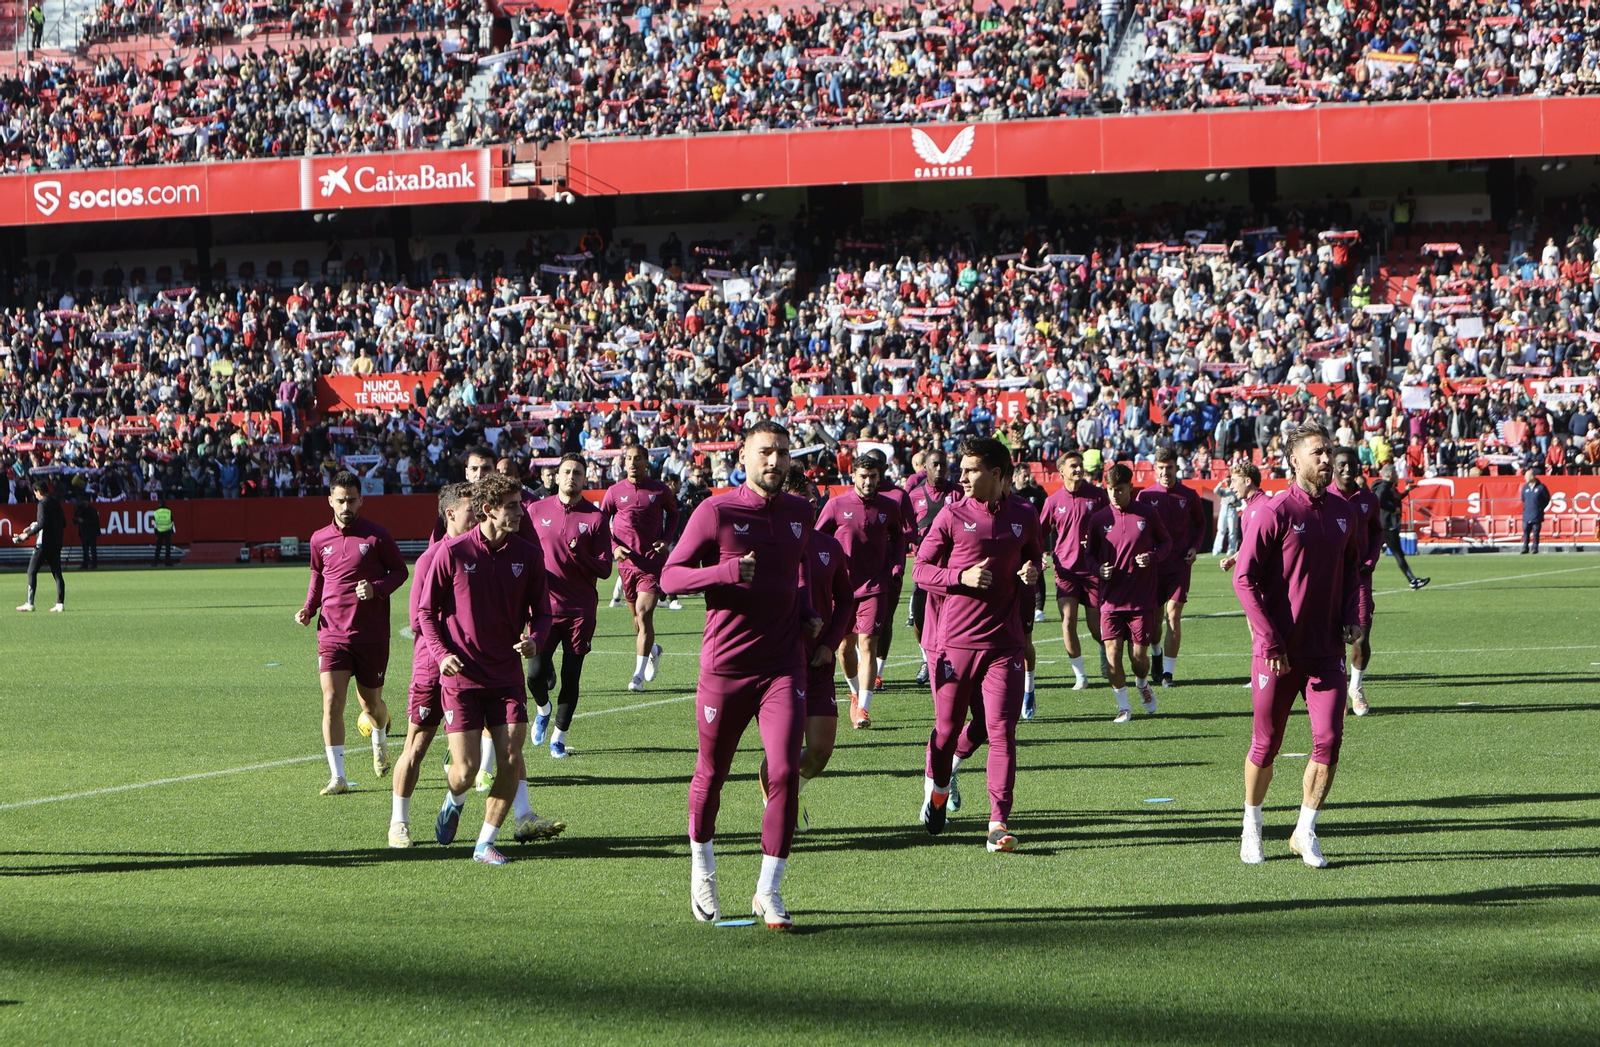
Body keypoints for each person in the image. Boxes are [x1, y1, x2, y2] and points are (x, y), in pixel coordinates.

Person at [662, 420, 821, 929]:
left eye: (782, 453)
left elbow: (799, 576)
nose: (774, 462)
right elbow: (670, 575)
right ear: (744, 456)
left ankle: (768, 891)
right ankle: (702, 871)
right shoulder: (715, 510)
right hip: (726, 668)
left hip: (783, 666)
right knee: (713, 773)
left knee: (783, 772)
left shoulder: (800, 512)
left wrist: (807, 613)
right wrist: (724, 573)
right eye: (764, 453)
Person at [1233, 423, 1362, 869]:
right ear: (1295, 461)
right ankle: (1252, 827)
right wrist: (1268, 636)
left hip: (1325, 652)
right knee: (1266, 744)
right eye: (1317, 453)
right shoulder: (1276, 511)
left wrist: (1352, 614)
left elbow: (1353, 572)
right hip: (1278, 653)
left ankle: (1305, 830)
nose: (1326, 459)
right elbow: (1243, 578)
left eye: (1328, 451)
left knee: (1329, 740)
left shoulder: (1345, 512)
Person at [416, 473, 558, 866]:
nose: (520, 511)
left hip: (506, 676)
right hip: (461, 676)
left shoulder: (528, 555)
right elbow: (426, 612)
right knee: (465, 770)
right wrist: (441, 653)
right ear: (488, 509)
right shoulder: (454, 552)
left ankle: (484, 843)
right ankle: (455, 797)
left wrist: (536, 639)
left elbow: (543, 612)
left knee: (511, 756)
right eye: (512, 505)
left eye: (519, 504)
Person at [911, 437, 1042, 853]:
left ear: (997, 474)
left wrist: (1030, 573)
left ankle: (998, 823)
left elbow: (1035, 561)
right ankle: (938, 789)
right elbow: (921, 571)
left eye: (971, 470)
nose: (962, 477)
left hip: (1005, 644)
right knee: (946, 730)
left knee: (1001, 730)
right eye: (962, 469)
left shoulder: (1025, 514)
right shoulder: (951, 515)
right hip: (955, 643)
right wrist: (960, 578)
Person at [755, 465, 854, 830]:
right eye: (803, 501)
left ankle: (787, 789)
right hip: (781, 662)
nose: (811, 507)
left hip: (820, 662)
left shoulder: (830, 547)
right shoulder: (769, 544)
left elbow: (846, 600)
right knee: (783, 751)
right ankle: (779, 799)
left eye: (813, 501)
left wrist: (830, 644)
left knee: (820, 750)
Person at [295, 472, 407, 794]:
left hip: (370, 635)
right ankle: (338, 777)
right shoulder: (319, 539)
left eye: (352, 500)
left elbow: (400, 571)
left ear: (362, 500)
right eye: (340, 500)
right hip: (331, 633)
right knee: (331, 701)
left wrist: (376, 589)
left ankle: (380, 737)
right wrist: (308, 607)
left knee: (371, 706)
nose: (346, 506)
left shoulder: (377, 537)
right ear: (330, 500)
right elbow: (318, 576)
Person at [528, 453, 613, 758]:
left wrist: (581, 556)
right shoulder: (535, 510)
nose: (571, 477)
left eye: (577, 472)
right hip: (543, 609)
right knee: (535, 674)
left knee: (571, 676)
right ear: (556, 475)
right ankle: (542, 708)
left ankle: (559, 738)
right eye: (566, 472)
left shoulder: (596, 518)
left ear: (584, 478)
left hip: (580, 611)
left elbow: (605, 569)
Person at [816, 453, 905, 729]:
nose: (868, 482)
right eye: (863, 476)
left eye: (873, 477)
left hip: (875, 587)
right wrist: (823, 569)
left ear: (879, 477)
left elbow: (899, 536)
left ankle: (864, 708)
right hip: (841, 589)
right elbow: (818, 537)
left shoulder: (889, 506)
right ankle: (854, 693)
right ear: (853, 476)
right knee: (844, 647)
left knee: (868, 644)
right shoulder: (835, 505)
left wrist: (896, 566)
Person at [1090, 463, 1170, 723]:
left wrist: (1153, 557)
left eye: (1119, 490)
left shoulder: (1147, 514)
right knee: (1112, 655)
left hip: (1141, 599)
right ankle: (1123, 707)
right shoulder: (1099, 519)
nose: (1114, 495)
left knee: (1138, 658)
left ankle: (1143, 683)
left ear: (1130, 488)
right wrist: (1097, 569)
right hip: (1110, 600)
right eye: (1110, 489)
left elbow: (1166, 542)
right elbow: (1088, 555)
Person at [601, 444, 680, 692]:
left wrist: (666, 541)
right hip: (626, 564)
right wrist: (614, 547)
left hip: (651, 562)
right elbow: (601, 521)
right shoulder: (614, 492)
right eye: (628, 459)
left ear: (647, 462)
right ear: (624, 463)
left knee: (645, 615)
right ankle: (654, 650)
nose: (633, 462)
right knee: (637, 621)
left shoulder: (660, 490)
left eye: (638, 459)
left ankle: (637, 676)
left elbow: (675, 514)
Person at [1136, 446, 1205, 687]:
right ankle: (1156, 657)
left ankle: (1168, 674)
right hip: (1154, 567)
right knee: (1154, 621)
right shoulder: (1144, 496)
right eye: (1162, 467)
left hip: (1179, 566)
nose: (1166, 472)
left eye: (1170, 467)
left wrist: (1195, 547)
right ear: (1155, 468)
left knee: (1173, 616)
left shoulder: (1189, 495)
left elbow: (1201, 525)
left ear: (1177, 467)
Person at [1041, 450, 1110, 692]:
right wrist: (1039, 556)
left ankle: (1104, 652)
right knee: (1068, 622)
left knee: (1095, 627)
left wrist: (1097, 542)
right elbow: (1039, 534)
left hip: (1093, 571)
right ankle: (1080, 676)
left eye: (1080, 465)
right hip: (1066, 571)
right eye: (1073, 465)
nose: (1078, 469)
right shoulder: (1052, 501)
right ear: (1061, 471)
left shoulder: (1098, 496)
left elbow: (1113, 526)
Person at [1332, 448, 1383, 717]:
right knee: (1330, 638)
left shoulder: (1369, 500)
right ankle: (1335, 692)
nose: (1347, 469)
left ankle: (1356, 687)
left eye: (1352, 464)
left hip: (1360, 578)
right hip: (1329, 578)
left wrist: (1371, 560)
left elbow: (1377, 532)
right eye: (1342, 464)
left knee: (1360, 637)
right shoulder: (1324, 496)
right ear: (1333, 466)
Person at [906, 447, 957, 686]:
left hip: (953, 570)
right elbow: (904, 530)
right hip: (925, 570)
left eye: (942, 465)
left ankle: (952, 661)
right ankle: (927, 658)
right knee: (919, 620)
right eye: (934, 464)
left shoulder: (958, 494)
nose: (939, 469)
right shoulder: (914, 496)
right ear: (924, 467)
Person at [866, 449, 917, 689]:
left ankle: (878, 672)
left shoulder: (898, 496)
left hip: (889, 570)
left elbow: (911, 529)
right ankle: (862, 667)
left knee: (884, 621)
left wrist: (886, 534)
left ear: (884, 469)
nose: (870, 473)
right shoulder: (852, 494)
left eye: (875, 467)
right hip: (859, 569)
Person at [1370, 465, 1429, 590]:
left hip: (1382, 525)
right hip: (1387, 526)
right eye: (1396, 472)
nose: (1397, 475)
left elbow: (1392, 499)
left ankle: (1359, 580)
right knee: (1398, 554)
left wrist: (1407, 491)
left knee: (1371, 555)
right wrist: (1394, 509)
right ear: (1391, 474)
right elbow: (1379, 500)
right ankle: (1413, 580)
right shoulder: (1386, 485)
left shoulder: (1384, 486)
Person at [14, 479, 65, 612]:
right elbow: (63, 522)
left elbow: (42, 523)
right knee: (57, 574)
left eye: (35, 492)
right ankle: (60, 603)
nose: (35, 495)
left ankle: (30, 603)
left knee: (31, 571)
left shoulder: (42, 504)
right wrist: (33, 525)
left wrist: (27, 535)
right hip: (56, 543)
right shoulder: (55, 502)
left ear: (39, 492)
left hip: (43, 544)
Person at [1012, 464, 1049, 626]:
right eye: (1023, 475)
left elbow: (1044, 521)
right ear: (1015, 477)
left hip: (1033, 541)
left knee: (1037, 572)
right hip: (1013, 542)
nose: (1027, 478)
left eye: (1028, 474)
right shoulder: (1008, 494)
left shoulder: (1036, 495)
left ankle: (1039, 608)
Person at [1520, 468, 1551, 554]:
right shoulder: (1525, 487)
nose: (1525, 478)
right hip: (1527, 513)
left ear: (1532, 476)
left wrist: (1540, 508)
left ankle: (1535, 548)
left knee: (1536, 531)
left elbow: (1547, 499)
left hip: (1536, 513)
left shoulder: (1541, 487)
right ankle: (1525, 547)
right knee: (1526, 531)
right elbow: (1523, 499)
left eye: (1527, 476)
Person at [73, 497, 99, 570]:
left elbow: (94, 521)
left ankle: (94, 564)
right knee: (85, 549)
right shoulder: (81, 509)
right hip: (84, 532)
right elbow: (77, 516)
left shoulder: (92, 510)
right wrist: (77, 521)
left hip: (91, 532)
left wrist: (82, 521)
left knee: (92, 548)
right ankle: (85, 564)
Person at [152, 497, 176, 566]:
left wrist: (155, 530)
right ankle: (167, 562)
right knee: (167, 547)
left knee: (158, 547)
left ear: (159, 505)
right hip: (167, 531)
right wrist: (172, 530)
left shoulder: (156, 512)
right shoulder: (169, 511)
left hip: (159, 531)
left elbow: (154, 522)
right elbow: (172, 521)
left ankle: (155, 562)